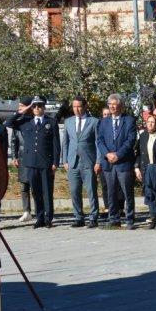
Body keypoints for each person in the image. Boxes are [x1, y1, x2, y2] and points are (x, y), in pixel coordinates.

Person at [4, 96, 60, 228]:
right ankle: (39, 217)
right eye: (34, 106)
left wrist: (55, 162)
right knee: (36, 192)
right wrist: (22, 111)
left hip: (45, 162)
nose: (37, 108)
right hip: (30, 163)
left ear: (44, 107)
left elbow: (56, 144)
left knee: (47, 191)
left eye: (39, 105)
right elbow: (7, 123)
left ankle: (48, 218)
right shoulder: (25, 122)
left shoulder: (51, 122)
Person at [96, 94, 138, 229]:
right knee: (111, 191)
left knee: (127, 191)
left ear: (121, 105)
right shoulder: (103, 122)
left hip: (123, 162)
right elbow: (100, 140)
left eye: (115, 104)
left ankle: (130, 218)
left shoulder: (129, 120)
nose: (112, 106)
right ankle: (113, 218)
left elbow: (130, 140)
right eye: (110, 104)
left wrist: (118, 155)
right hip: (108, 162)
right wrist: (107, 154)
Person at [62, 96, 100, 228]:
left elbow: (97, 143)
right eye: (74, 106)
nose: (76, 109)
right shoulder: (68, 122)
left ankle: (93, 217)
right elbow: (65, 143)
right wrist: (65, 160)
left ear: (85, 106)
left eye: (79, 106)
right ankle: (78, 217)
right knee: (74, 191)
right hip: (73, 162)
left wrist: (98, 161)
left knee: (91, 191)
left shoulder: (94, 122)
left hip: (88, 161)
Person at [8, 97, 33, 222]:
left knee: (35, 185)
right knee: (24, 186)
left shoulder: (34, 120)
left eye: (22, 106)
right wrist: (14, 156)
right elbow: (13, 141)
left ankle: (40, 210)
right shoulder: (18, 122)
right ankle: (26, 211)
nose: (19, 109)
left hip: (33, 157)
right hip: (22, 157)